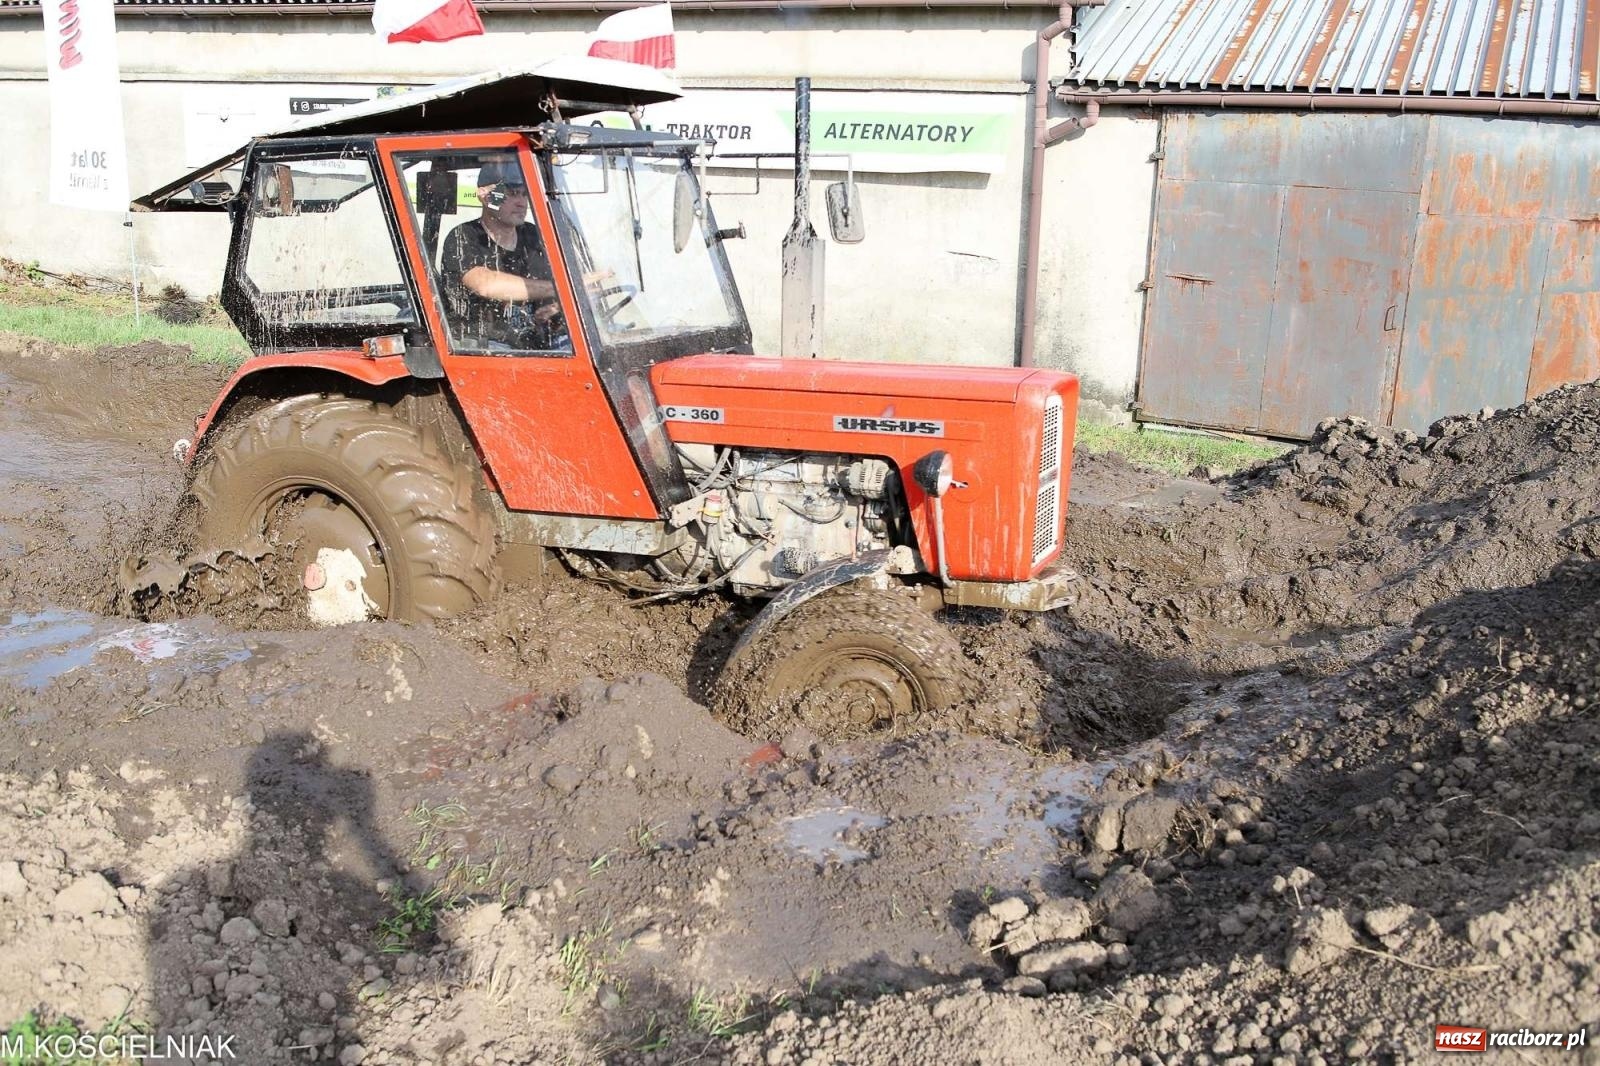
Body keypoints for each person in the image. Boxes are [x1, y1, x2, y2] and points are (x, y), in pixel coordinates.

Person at [439, 158, 566, 350]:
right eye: (513, 193)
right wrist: (560, 290)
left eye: (525, 194)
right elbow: (485, 285)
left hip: (536, 342)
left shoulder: (536, 236)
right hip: (483, 346)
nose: (522, 203)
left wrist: (557, 306)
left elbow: (574, 282)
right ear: (485, 195)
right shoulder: (464, 236)